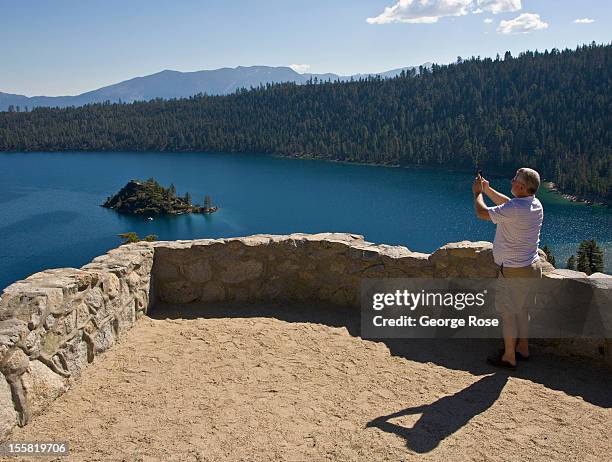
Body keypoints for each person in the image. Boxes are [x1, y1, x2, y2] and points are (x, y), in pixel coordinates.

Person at [472, 168, 543, 370]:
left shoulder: (515, 210)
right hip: (532, 267)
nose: (511, 181)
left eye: (514, 180)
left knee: (508, 313)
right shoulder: (535, 204)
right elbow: (508, 204)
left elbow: (482, 213)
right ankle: (523, 348)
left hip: (513, 270)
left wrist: (477, 193)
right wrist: (488, 189)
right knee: (523, 310)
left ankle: (509, 356)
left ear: (520, 187)